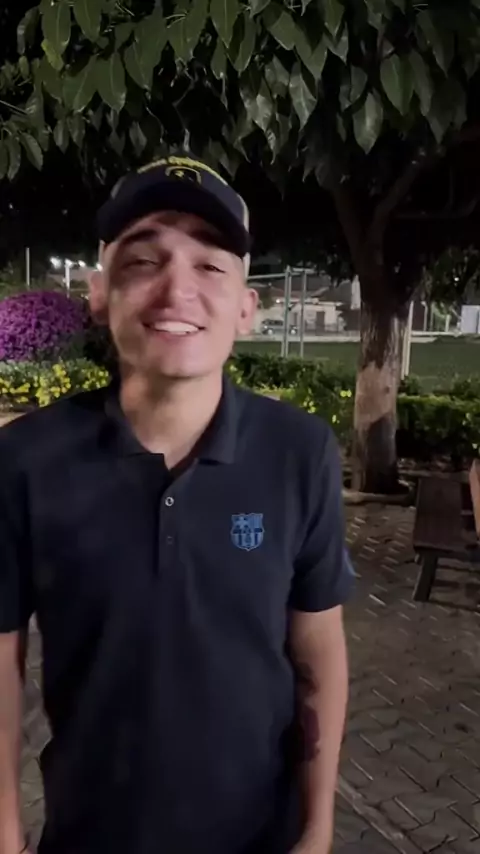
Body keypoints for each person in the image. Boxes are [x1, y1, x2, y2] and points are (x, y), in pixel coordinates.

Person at [0, 154, 352, 854]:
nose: (177, 290)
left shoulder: (300, 452)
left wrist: (317, 830)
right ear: (99, 295)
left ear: (246, 308)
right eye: (142, 261)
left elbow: (317, 650)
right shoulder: (25, 460)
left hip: (260, 838)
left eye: (211, 265)